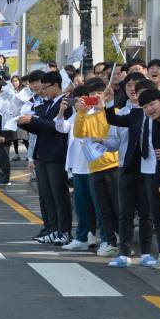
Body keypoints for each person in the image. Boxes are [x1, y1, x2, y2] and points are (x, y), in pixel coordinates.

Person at [103, 73, 157, 268]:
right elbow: (113, 120)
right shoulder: (132, 113)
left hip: (148, 168)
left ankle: (145, 253)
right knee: (125, 211)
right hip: (127, 167)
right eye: (132, 88)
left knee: (146, 212)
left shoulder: (158, 113)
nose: (136, 92)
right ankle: (123, 252)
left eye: (141, 90)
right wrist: (108, 103)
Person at [17, 71, 73, 245]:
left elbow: (59, 127)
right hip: (43, 154)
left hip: (57, 155)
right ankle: (52, 228)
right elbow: (43, 128)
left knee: (59, 195)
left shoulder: (65, 104)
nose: (43, 91)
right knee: (47, 195)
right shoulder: (49, 104)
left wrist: (33, 121)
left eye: (45, 88)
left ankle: (63, 231)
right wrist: (27, 123)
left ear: (56, 85)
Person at [73, 78, 121, 258]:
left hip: (113, 165)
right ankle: (109, 241)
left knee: (117, 207)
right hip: (94, 168)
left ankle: (121, 240)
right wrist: (81, 112)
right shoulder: (88, 116)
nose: (96, 98)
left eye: (98, 95)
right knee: (103, 208)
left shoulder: (114, 112)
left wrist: (104, 107)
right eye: (92, 96)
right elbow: (78, 133)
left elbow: (111, 130)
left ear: (105, 94)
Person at [57, 86, 99, 252]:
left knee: (98, 206)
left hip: (94, 167)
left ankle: (105, 238)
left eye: (83, 100)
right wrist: (61, 111)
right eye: (76, 101)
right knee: (81, 205)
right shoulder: (76, 115)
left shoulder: (96, 114)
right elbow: (61, 127)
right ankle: (82, 237)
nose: (79, 104)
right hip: (78, 168)